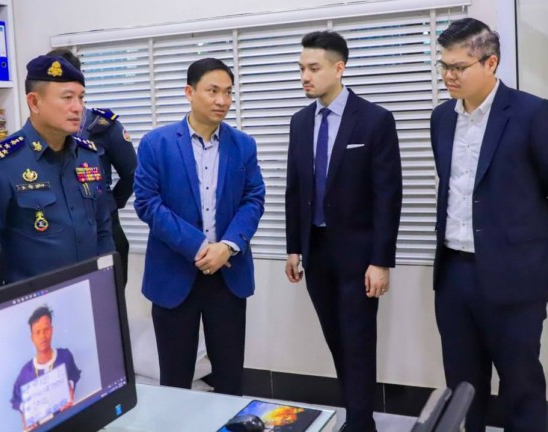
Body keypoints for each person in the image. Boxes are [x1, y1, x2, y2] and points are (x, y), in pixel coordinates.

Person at [430, 18, 548, 432]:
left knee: (520, 383)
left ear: (490, 63)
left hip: (516, 272)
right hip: (455, 272)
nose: (448, 75)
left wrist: (528, 248)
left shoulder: (533, 113)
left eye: (459, 67)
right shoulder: (441, 118)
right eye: (444, 65)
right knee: (462, 385)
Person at [284, 31, 403, 432]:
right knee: (336, 338)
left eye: (313, 68)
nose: (305, 76)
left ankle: (360, 422)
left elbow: (388, 194)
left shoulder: (374, 120)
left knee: (358, 340)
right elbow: (295, 189)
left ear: (339, 68)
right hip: (316, 251)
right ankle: (356, 413)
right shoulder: (300, 122)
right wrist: (294, 247)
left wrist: (381, 261)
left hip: (359, 254)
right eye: (301, 68)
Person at [134, 57, 265, 395]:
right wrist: (199, 246)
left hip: (228, 273)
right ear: (189, 92)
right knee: (175, 380)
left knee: (230, 377)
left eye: (228, 92)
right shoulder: (156, 143)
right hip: (174, 273)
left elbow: (253, 199)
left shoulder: (243, 145)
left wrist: (227, 246)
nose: (222, 100)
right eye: (213, 91)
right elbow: (147, 203)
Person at [0, 55, 114, 283]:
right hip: (32, 298)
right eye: (67, 98)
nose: (78, 108)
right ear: (34, 102)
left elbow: (103, 230)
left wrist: (107, 281)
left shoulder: (88, 156)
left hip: (89, 289)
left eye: (81, 97)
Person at [46, 48, 137, 287]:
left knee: (109, 301)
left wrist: (110, 202)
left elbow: (132, 174)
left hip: (104, 228)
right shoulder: (40, 134)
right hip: (58, 235)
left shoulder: (103, 126)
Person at [11, 306, 81, 431]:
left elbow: (73, 378)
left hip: (67, 424)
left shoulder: (65, 356)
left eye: (46, 330)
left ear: (52, 330)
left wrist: (71, 395)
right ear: (32, 337)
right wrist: (26, 421)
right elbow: (18, 401)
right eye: (37, 332)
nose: (42, 336)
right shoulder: (25, 373)